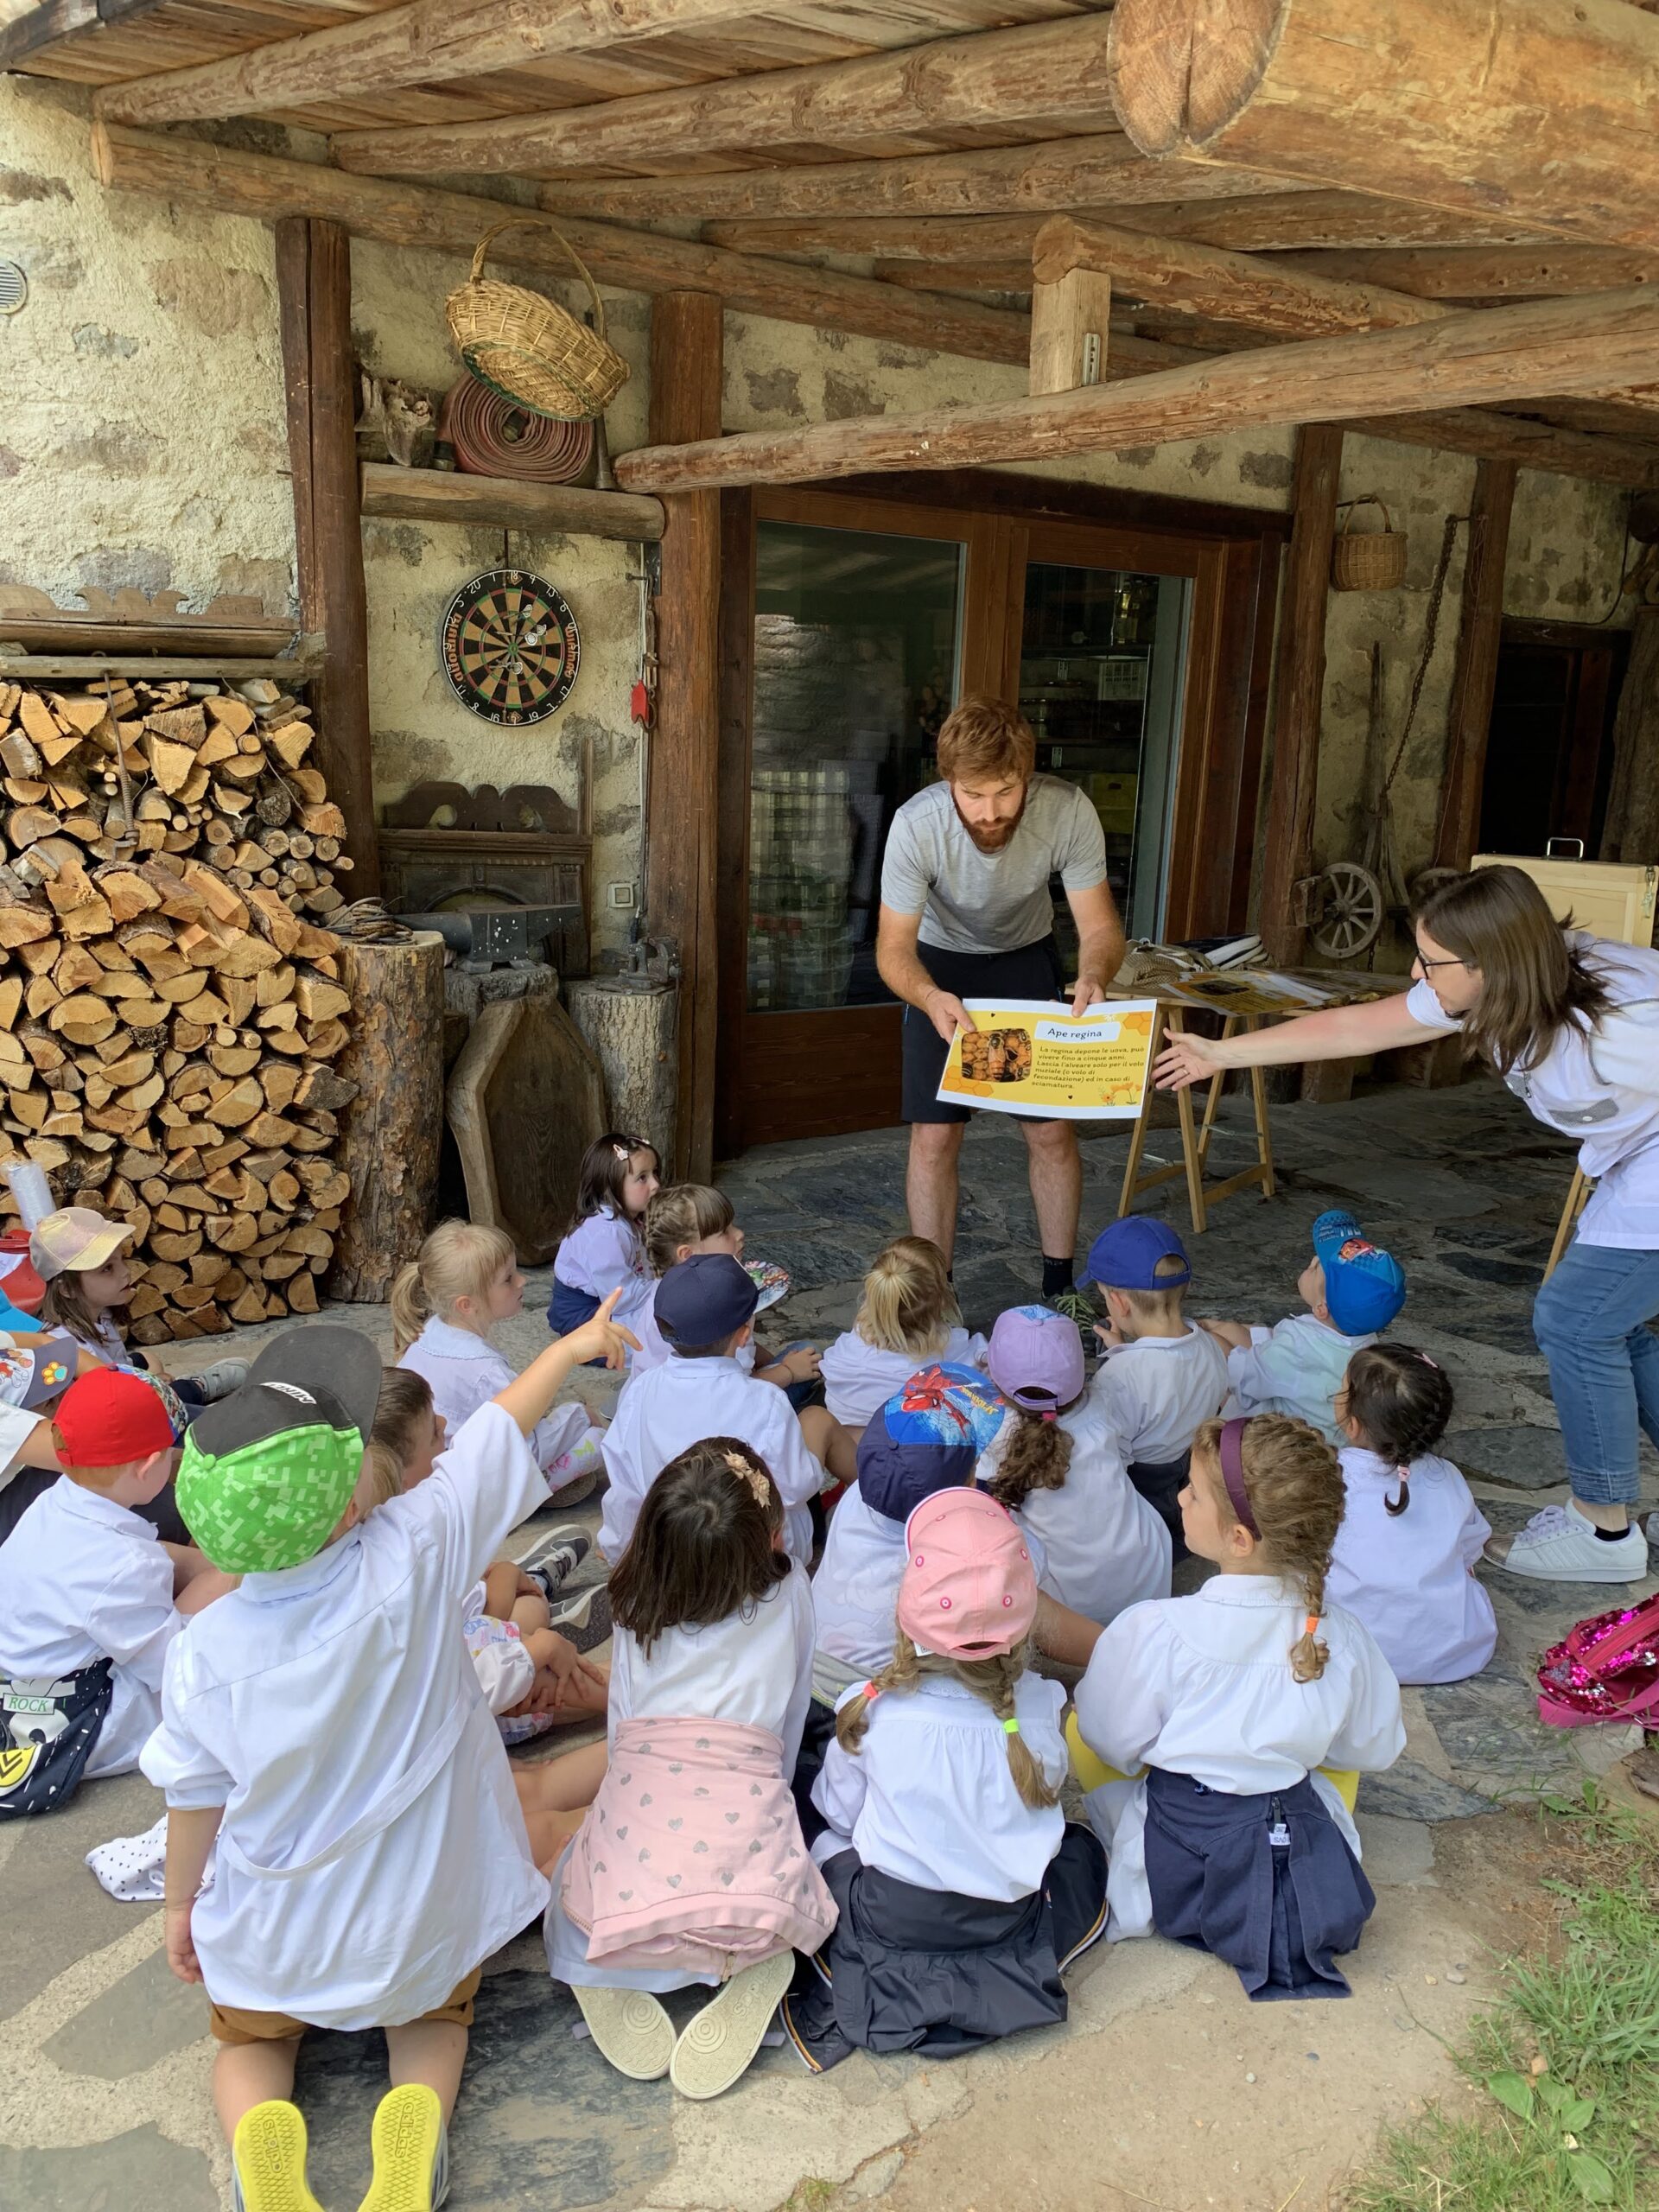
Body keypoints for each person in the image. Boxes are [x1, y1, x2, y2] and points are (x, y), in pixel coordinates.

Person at [145, 1301, 637, 2212]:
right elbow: (499, 1430)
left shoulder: (201, 1654)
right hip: (416, 1917)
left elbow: (194, 1795)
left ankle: (261, 2151)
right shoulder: (412, 1551)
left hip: (277, 1931)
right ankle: (414, 2127)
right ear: (350, 1504)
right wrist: (571, 1346)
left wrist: (181, 1907)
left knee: (248, 2043)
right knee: (433, 2017)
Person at [1160, 866, 1659, 1581]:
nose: (1417, 974)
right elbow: (1361, 1026)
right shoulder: (1504, 979)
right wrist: (1220, 1052)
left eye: (1431, 961)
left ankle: (1604, 1532)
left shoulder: (1625, 1027)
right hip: (1632, 1160)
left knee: (1577, 1321)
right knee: (1611, 1325)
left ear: (1490, 961)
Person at [1073, 1414, 1406, 2001]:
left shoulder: (1155, 1629)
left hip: (1176, 1855)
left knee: (1082, 1724)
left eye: (1194, 1492)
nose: (1181, 1497)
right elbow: (1375, 1748)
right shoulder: (1342, 1636)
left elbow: (1109, 1738)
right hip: (1289, 1822)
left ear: (1239, 1540)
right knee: (1336, 1752)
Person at [546, 1436, 833, 2101]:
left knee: (571, 1881)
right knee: (777, 1862)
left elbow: (621, 1728)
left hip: (628, 1889)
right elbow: (791, 1717)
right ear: (763, 1541)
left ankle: (600, 1970)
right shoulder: (791, 1591)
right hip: (747, 1898)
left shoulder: (633, 1600)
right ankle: (753, 1959)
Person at [782, 1489, 1108, 2071]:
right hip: (1006, 1921)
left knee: (805, 1823)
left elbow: (840, 1816)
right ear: (1025, 1620)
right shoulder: (1037, 1710)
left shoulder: (871, 1708)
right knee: (1082, 1852)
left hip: (890, 1918)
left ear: (905, 1611)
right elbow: (1043, 1808)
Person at [875, 696, 1125, 1314]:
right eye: (973, 795)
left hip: (1022, 961)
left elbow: (1099, 928)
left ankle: (1059, 1288)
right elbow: (892, 949)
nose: (990, 812)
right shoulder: (916, 824)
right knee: (935, 1137)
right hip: (938, 969)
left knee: (1050, 1131)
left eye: (1007, 792)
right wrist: (930, 995)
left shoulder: (1067, 809)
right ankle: (937, 1297)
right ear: (949, 782)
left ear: (1028, 775)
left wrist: (1094, 975)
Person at [0, 1370, 229, 1815]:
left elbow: (132, 1564)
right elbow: (170, 1668)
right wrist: (223, 1574)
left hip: (23, 1685)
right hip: (78, 1722)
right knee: (226, 1577)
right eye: (170, 1455)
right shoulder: (124, 1565)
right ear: (149, 1466)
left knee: (186, 1568)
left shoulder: (53, 1503)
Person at [371, 1366, 606, 1744]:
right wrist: (532, 1646)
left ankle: (536, 1597)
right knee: (546, 1671)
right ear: (402, 1476)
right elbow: (474, 1663)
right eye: (434, 1431)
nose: (444, 1423)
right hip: (470, 1689)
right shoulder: (414, 1539)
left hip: (469, 1648)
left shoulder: (387, 1534)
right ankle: (541, 1609)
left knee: (527, 1613)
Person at [599, 1254, 853, 1564]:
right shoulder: (766, 1400)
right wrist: (812, 1466)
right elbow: (794, 1488)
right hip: (754, 1555)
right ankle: (876, 1509)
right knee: (816, 1419)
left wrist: (619, 1551)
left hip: (669, 1550)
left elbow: (623, 1486)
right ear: (744, 1333)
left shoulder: (640, 1390)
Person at [979, 1305, 1171, 1630]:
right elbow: (1125, 1457)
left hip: (1065, 1609)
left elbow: (985, 1488)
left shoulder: (993, 1428)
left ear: (995, 1380)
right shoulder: (1105, 1403)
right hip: (1143, 1582)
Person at [394, 1218, 605, 1507]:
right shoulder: (486, 1370)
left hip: (427, 1470)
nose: (522, 1281)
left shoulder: (429, 1330)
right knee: (596, 1440)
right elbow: (525, 1449)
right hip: (465, 1487)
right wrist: (578, 1416)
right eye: (508, 1279)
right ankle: (522, 1501)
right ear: (467, 1304)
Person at [1328, 1345, 1497, 1685]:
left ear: (1353, 1425)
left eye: (1342, 1389)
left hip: (1352, 1651)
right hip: (1455, 1653)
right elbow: (1472, 1545)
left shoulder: (1329, 1477)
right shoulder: (1447, 1475)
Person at [1085, 1217, 1230, 1554]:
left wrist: (1118, 1360)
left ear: (1120, 1303)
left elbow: (1111, 1452)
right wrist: (1123, 1350)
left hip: (1142, 1483)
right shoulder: (1208, 1345)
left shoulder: (1119, 1376)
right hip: (1185, 1464)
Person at [1201, 1210, 1405, 1447]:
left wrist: (1211, 1338)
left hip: (1281, 1439)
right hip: (1324, 1435)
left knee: (1212, 1343)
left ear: (1321, 1308)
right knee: (1233, 1331)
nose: (1314, 1260)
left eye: (1317, 1266)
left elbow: (1243, 1380)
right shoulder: (1366, 1340)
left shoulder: (1296, 1347)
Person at [33, 1206, 245, 1408]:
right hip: (115, 1407)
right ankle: (196, 1387)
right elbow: (116, 1405)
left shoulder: (97, 1312)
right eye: (107, 1269)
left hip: (116, 1379)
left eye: (121, 1260)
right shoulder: (74, 1349)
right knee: (167, 1396)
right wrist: (153, 1386)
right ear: (67, 1289)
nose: (125, 1272)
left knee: (149, 1360)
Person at [631, 1184, 821, 1399]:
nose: (739, 1234)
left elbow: (736, 1346)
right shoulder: (709, 1306)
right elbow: (730, 1391)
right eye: (724, 1232)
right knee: (809, 1354)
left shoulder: (670, 1291)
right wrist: (788, 1372)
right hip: (706, 1406)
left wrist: (771, 1362)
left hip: (679, 1398)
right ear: (688, 1254)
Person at [819, 1235, 988, 1435]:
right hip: (921, 1450)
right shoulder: (961, 1354)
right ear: (942, 1300)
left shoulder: (843, 1355)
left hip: (848, 1452)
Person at [548, 1132, 662, 1339]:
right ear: (611, 1184)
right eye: (642, 1178)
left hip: (612, 1299)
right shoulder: (606, 1231)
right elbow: (619, 1297)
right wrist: (662, 1289)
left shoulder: (631, 1218)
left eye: (655, 1173)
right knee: (655, 1329)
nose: (655, 1185)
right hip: (585, 1314)